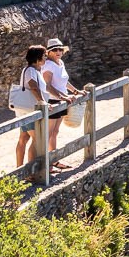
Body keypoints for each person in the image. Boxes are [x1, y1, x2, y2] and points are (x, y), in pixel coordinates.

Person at [41, 38, 83, 167]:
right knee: (48, 133)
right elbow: (47, 85)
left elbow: (64, 82)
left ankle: (53, 159)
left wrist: (75, 91)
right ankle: (45, 163)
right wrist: (63, 96)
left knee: (55, 131)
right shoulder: (48, 65)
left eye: (60, 49)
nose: (58, 52)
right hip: (53, 100)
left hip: (61, 100)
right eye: (55, 50)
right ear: (49, 52)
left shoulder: (60, 63)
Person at [13, 45, 49, 170]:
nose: (46, 58)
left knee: (24, 138)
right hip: (29, 111)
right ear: (38, 58)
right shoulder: (30, 71)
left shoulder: (33, 70)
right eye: (44, 56)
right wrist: (43, 102)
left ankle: (20, 169)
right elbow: (33, 86)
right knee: (37, 138)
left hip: (25, 110)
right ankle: (30, 171)